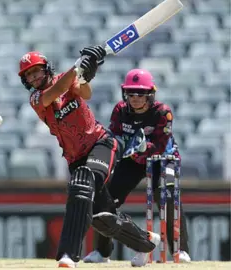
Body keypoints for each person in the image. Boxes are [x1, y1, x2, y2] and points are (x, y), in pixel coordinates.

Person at [19, 48, 161, 268]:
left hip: (100, 144)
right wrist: (77, 68)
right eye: (29, 75)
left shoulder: (66, 82)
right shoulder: (36, 98)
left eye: (36, 71)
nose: (34, 77)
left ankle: (68, 255)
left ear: (46, 69)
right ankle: (146, 242)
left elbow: (85, 93)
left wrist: (85, 76)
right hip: (75, 158)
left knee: (83, 183)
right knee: (102, 217)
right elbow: (56, 91)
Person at [83, 69, 191, 263]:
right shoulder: (120, 110)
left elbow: (159, 144)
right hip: (132, 160)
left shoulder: (162, 112)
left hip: (163, 159)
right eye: (131, 93)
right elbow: (114, 137)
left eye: (140, 94)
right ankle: (102, 251)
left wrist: (141, 147)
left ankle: (180, 250)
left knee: (166, 195)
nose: (135, 98)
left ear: (150, 94)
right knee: (106, 196)